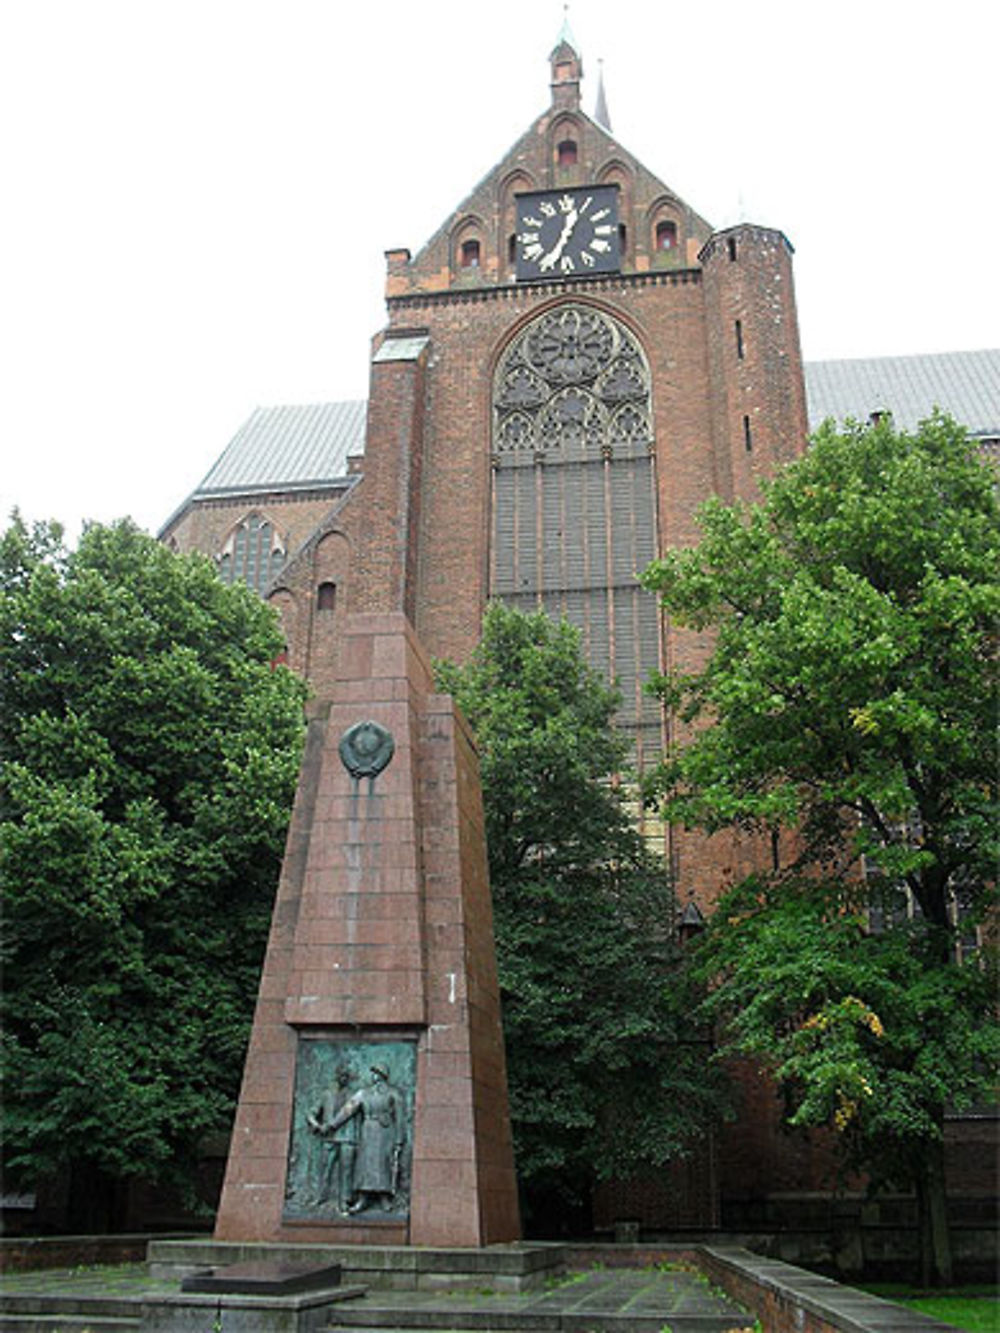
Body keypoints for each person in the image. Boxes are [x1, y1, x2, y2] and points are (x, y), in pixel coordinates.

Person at [327, 1062, 406, 1214]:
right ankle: (362, 1197)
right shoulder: (364, 1093)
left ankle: (384, 1197)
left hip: (385, 1131)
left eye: (375, 1072)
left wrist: (398, 1140)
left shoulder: (393, 1094)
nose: (373, 1075)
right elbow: (348, 1109)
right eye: (373, 1072)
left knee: (384, 1163)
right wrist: (333, 1124)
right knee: (365, 1164)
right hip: (368, 1130)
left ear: (382, 1075)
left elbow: (400, 1119)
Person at [305, 1065, 358, 1212]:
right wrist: (316, 1124)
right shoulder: (326, 1094)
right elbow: (312, 1112)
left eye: (346, 1076)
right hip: (329, 1138)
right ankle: (320, 1197)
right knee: (324, 1169)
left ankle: (344, 1201)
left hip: (348, 1138)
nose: (344, 1078)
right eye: (341, 1075)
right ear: (337, 1076)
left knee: (346, 1171)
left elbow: (351, 1112)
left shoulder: (354, 1096)